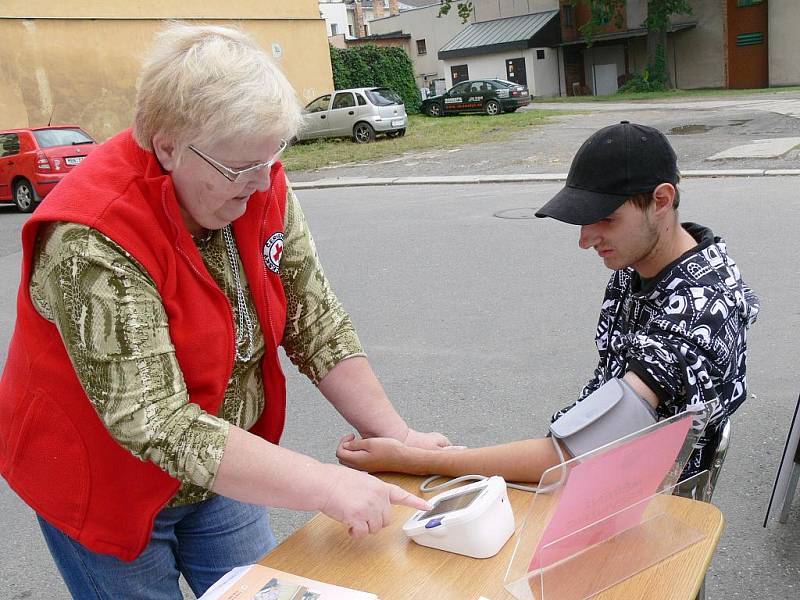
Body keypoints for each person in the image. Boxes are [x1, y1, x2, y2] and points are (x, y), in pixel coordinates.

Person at [0, 23, 449, 599]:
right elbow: (155, 419)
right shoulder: (92, 238)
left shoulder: (255, 177)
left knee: (262, 590)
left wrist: (398, 438)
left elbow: (314, 320)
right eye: (240, 169)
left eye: (272, 158)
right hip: (105, 481)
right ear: (166, 145)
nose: (262, 185)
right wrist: (324, 485)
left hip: (221, 467)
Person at [337, 121, 759, 485]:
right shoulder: (643, 265)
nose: (585, 240)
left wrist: (418, 461)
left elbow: (575, 456)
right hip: (599, 470)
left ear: (662, 201)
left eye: (606, 218)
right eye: (582, 219)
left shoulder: (698, 307)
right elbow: (588, 424)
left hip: (637, 501)